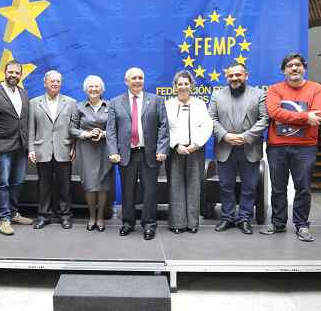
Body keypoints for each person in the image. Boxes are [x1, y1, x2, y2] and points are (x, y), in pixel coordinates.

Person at [260, 53, 321, 242]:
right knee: (278, 187)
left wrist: (291, 116)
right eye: (290, 66)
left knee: (303, 187)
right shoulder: (274, 89)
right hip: (277, 146)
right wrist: (306, 117)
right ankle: (278, 223)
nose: (294, 68)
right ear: (284, 70)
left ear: (303, 68)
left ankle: (302, 225)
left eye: (298, 65)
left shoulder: (317, 89)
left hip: (305, 147)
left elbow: (319, 115)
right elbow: (274, 112)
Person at [106, 67, 169, 240]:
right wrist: (113, 151)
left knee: (150, 191)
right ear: (126, 81)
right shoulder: (115, 102)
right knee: (128, 191)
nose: (137, 81)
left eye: (140, 78)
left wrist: (162, 149)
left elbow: (164, 126)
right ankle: (127, 223)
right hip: (127, 154)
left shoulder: (156, 100)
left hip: (150, 154)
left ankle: (149, 224)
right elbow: (111, 131)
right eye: (134, 78)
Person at [208, 62, 269, 235]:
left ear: (246, 75)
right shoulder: (217, 95)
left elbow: (264, 119)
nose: (234, 78)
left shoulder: (259, 94)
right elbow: (210, 118)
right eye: (231, 75)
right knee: (226, 186)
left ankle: (244, 219)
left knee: (249, 187)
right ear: (227, 77)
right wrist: (226, 136)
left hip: (249, 147)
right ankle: (227, 217)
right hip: (225, 147)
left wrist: (246, 137)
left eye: (238, 75)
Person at [0, 60, 33, 236]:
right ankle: (4, 218)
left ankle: (13, 213)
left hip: (21, 145)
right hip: (2, 146)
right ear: (4, 73)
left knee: (18, 181)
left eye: (17, 73)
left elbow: (24, 120)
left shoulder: (24, 94)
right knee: (2, 183)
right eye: (10, 72)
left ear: (21, 75)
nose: (13, 75)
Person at [165, 70, 213, 234]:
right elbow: (165, 129)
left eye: (186, 83)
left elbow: (207, 126)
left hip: (195, 150)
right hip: (175, 150)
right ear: (175, 87)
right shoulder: (168, 104)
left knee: (194, 185)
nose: (183, 86)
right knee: (176, 186)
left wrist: (196, 144)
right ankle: (177, 223)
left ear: (191, 86)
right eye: (180, 84)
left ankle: (193, 223)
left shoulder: (200, 104)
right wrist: (176, 145)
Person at [28, 70, 77, 229]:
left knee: (65, 186)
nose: (55, 84)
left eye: (58, 81)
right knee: (44, 186)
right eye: (52, 81)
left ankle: (65, 216)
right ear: (45, 83)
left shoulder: (71, 102)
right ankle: (44, 216)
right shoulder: (34, 103)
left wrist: (73, 146)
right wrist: (31, 149)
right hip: (43, 150)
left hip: (64, 149)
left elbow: (74, 128)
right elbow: (31, 129)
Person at [70, 75, 113, 232]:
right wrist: (86, 134)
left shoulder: (111, 105)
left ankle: (100, 216)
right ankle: (92, 216)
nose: (94, 89)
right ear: (85, 89)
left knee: (103, 184)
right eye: (90, 86)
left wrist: (104, 133)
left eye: (96, 86)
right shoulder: (78, 107)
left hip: (105, 149)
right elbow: (72, 129)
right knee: (89, 185)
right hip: (86, 149)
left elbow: (116, 127)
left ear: (101, 89)